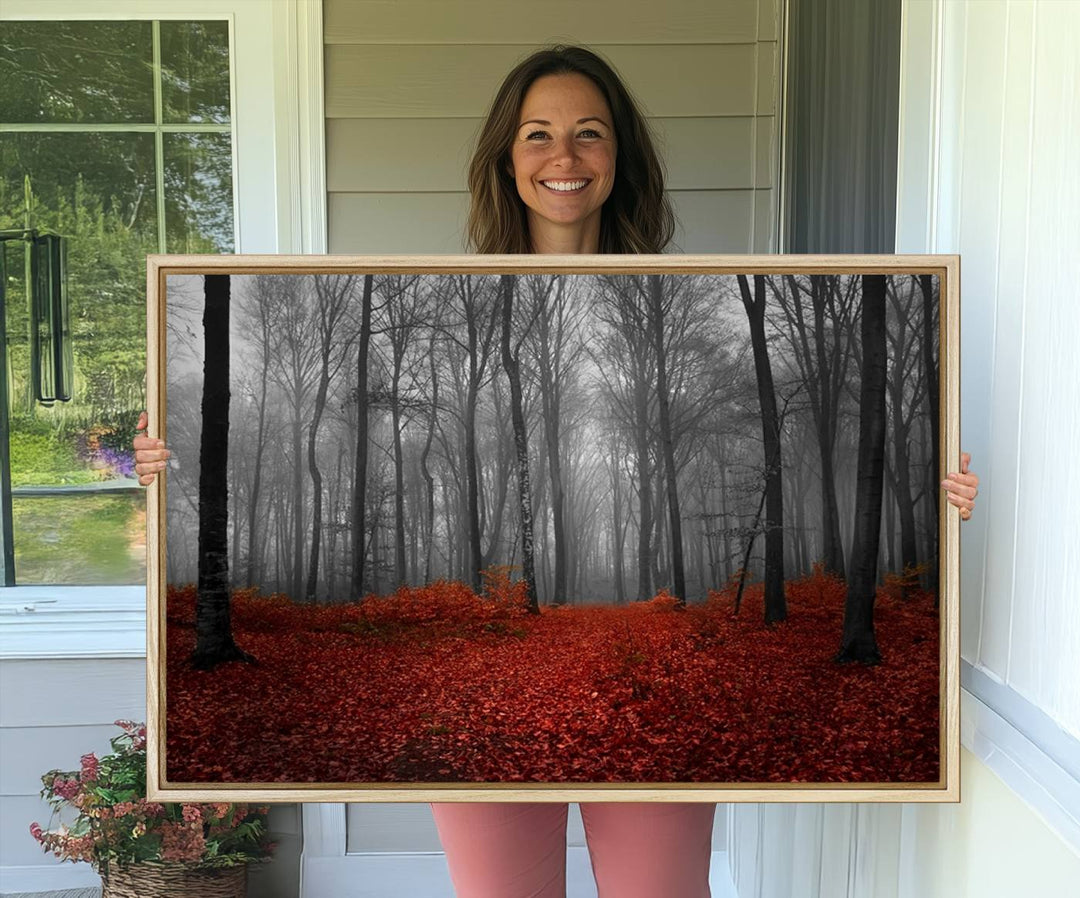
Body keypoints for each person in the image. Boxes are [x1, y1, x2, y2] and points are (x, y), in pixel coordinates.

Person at [133, 45, 980, 898]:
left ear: (620, 158)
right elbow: (298, 441)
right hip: (480, 743)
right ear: (507, 157)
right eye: (538, 134)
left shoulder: (700, 297)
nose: (564, 157)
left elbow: (814, 441)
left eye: (589, 134)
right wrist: (168, 465)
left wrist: (934, 490)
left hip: (659, 738)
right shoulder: (431, 300)